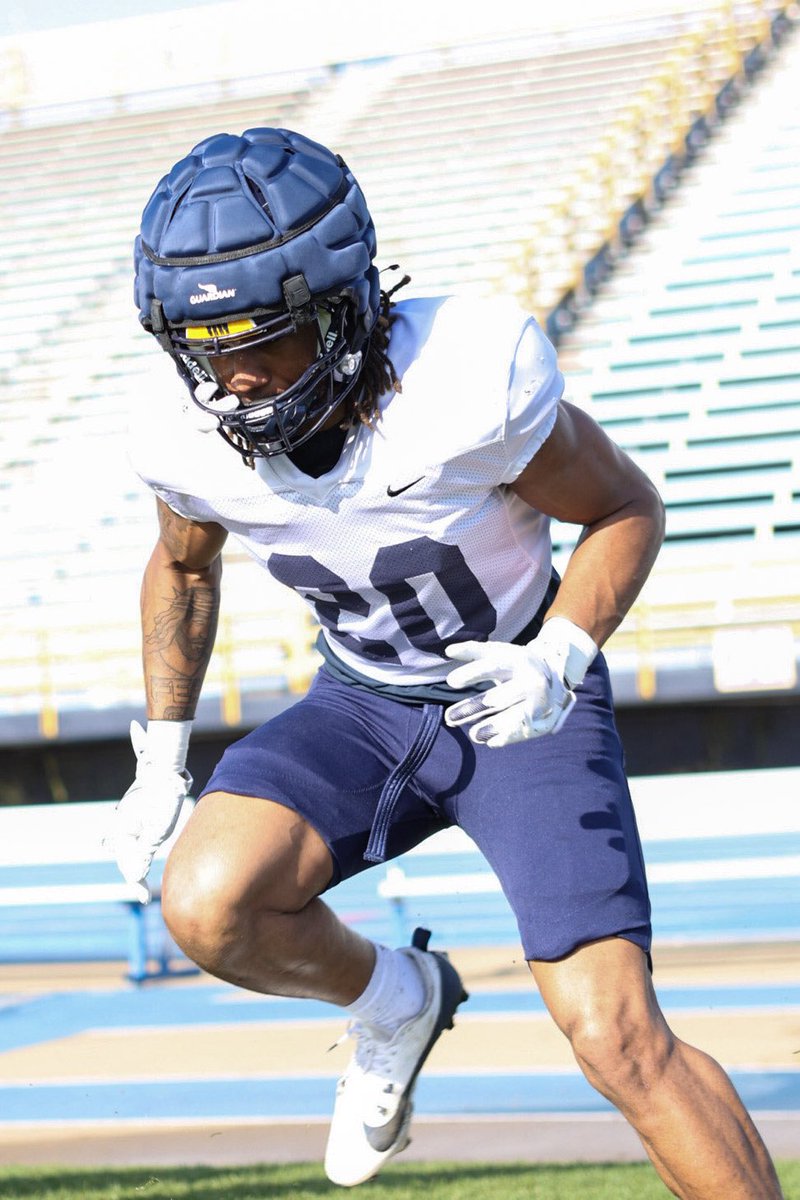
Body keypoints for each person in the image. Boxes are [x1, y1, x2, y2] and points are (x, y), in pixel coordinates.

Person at [109, 126, 783, 1197]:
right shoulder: (182, 434)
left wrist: (561, 653)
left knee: (613, 1036)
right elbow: (184, 569)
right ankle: (392, 1002)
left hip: (523, 706)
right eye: (204, 346)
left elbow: (623, 509)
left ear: (341, 307)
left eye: (264, 339)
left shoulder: (464, 380)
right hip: (361, 705)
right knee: (206, 902)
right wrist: (164, 756)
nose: (232, 380)